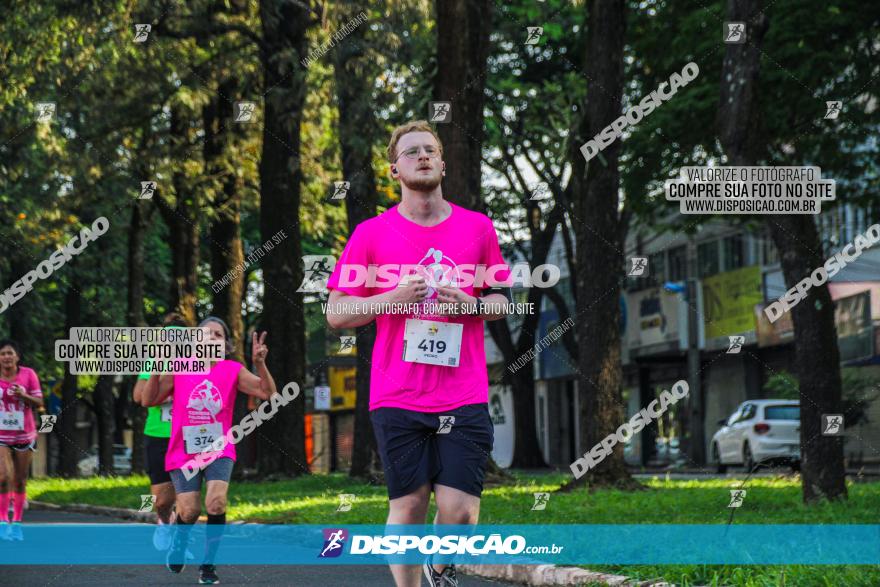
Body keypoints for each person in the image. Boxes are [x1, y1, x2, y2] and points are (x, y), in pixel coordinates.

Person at [325, 120, 511, 587]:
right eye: (412, 152)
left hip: (463, 391)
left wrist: (472, 305)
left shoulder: (478, 228)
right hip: (397, 392)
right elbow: (337, 313)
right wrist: (392, 296)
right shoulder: (371, 234)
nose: (423, 156)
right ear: (395, 169)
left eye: (430, 150)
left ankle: (440, 567)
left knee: (461, 512)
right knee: (408, 506)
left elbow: (502, 301)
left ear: (443, 163)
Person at [140, 317, 278, 585]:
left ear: (225, 345)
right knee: (189, 511)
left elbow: (269, 395)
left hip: (219, 448)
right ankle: (178, 544)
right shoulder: (180, 369)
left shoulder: (232, 370)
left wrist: (260, 364)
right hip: (183, 452)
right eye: (205, 334)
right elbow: (148, 399)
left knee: (216, 502)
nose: (211, 338)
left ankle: (208, 565)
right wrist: (157, 367)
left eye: (217, 335)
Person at [132, 312, 189, 551]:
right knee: (162, 499)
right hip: (158, 435)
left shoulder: (195, 364)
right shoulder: (153, 364)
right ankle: (165, 521)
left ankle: (181, 541)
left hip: (188, 436)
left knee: (188, 495)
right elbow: (139, 397)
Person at [0, 340, 44, 541]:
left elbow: (39, 402)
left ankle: (16, 523)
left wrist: (23, 394)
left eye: (10, 353)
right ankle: (2, 522)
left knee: (19, 480)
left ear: (17, 357)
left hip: (24, 435)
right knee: (2, 477)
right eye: (2, 354)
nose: (6, 357)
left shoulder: (28, 375)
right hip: (1, 436)